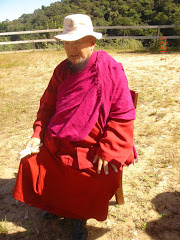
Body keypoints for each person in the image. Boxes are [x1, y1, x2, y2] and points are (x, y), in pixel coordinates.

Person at [13, 14, 136, 240]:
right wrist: (37, 133)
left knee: (95, 178)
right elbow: (47, 107)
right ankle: (56, 205)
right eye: (68, 43)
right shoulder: (62, 71)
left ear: (92, 42)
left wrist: (109, 148)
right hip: (58, 141)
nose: (72, 48)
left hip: (94, 145)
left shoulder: (109, 68)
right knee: (31, 163)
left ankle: (80, 217)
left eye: (78, 42)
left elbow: (122, 114)